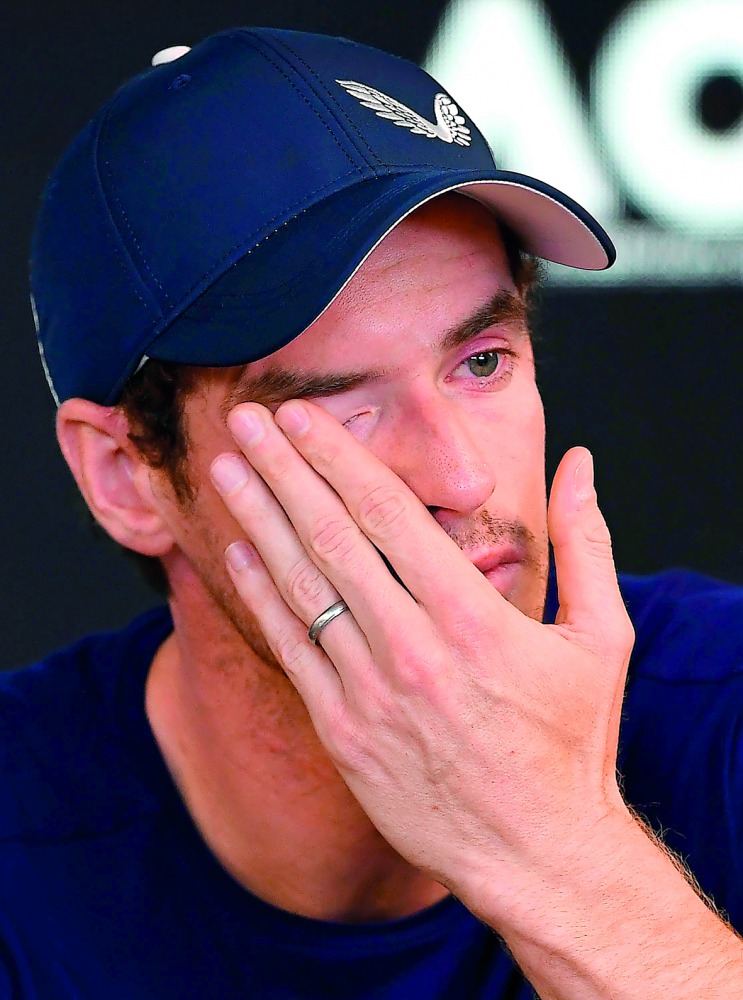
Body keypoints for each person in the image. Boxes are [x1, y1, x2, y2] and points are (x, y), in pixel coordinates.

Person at [5, 25, 742, 998]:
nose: (461, 479)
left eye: (480, 363)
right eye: (333, 411)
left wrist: (560, 848)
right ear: (126, 475)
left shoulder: (718, 710)